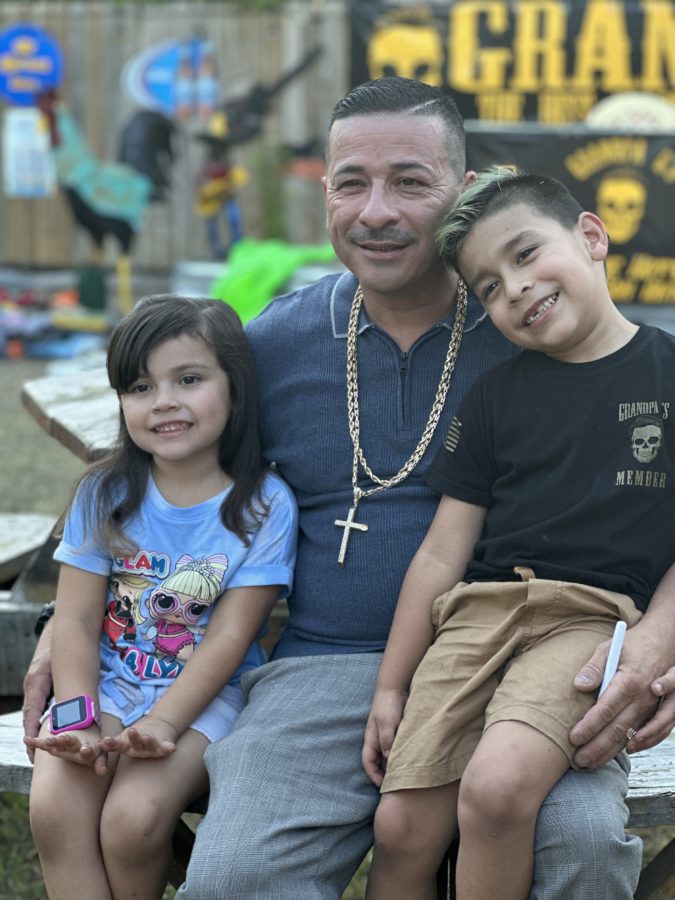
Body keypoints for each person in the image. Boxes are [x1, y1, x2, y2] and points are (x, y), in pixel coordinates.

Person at [22, 78, 675, 899]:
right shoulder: (268, 346)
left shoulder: (541, 325)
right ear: (324, 191)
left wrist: (659, 639)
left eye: (410, 180)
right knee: (234, 882)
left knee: (575, 848)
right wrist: (64, 627)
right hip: (317, 672)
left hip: (528, 661)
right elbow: (149, 479)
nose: (376, 212)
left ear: (464, 191)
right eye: (351, 183)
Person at [362, 167, 675, 900]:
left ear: (591, 237)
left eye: (526, 254)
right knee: (400, 831)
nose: (516, 289)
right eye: (490, 288)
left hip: (587, 622)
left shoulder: (667, 374)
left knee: (497, 791)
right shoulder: (495, 396)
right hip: (476, 618)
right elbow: (442, 552)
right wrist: (389, 685)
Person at [24, 295, 297, 899]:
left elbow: (228, 639)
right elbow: (73, 619)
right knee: (56, 810)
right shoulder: (105, 492)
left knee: (133, 822)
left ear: (235, 387)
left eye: (190, 379)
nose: (164, 401)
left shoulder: (263, 505)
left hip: (203, 702)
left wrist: (163, 723)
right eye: (141, 387)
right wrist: (80, 717)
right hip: (105, 686)